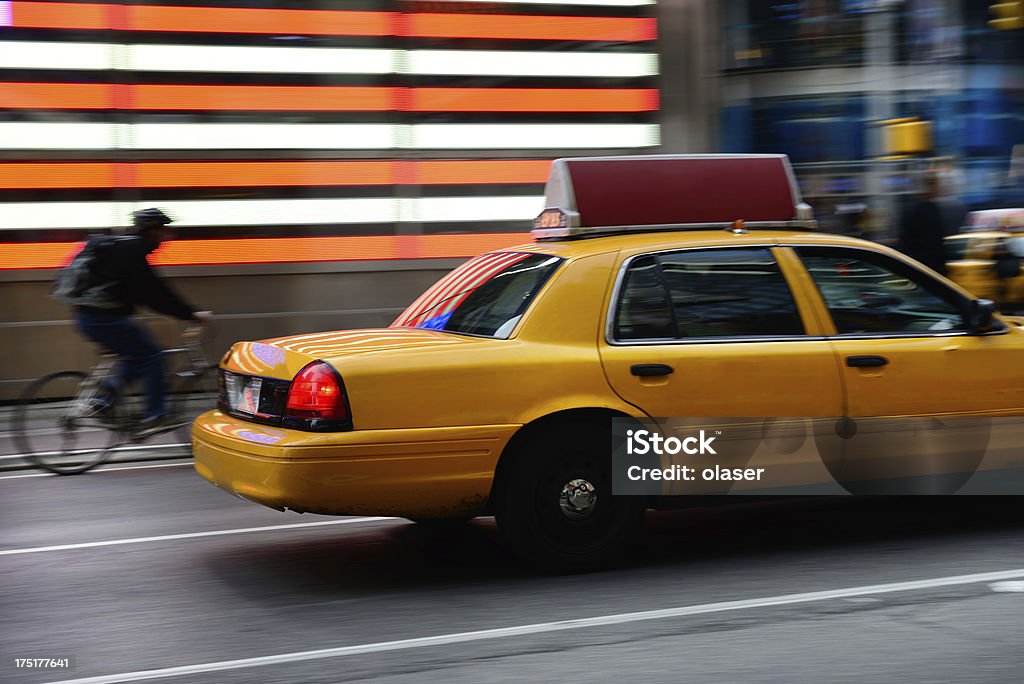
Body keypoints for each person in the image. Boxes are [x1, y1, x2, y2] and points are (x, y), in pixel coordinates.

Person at [74, 208, 211, 428]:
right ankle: (155, 414)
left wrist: (184, 312)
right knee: (153, 356)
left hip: (94, 317)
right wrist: (191, 314)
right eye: (163, 231)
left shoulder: (127, 249)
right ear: (153, 231)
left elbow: (152, 292)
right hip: (104, 319)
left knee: (138, 357)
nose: (166, 237)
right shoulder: (133, 252)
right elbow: (156, 293)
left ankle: (102, 401)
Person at [897, 174, 947, 276]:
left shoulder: (908, 207)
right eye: (936, 185)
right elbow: (935, 240)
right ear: (929, 187)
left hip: (915, 263)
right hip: (929, 265)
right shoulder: (930, 208)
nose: (939, 188)